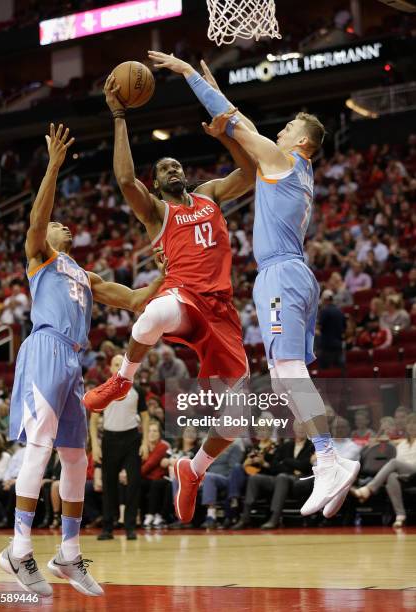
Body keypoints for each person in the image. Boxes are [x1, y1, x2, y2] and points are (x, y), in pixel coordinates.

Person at [147, 51, 359, 521]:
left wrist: (189, 76)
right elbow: (236, 130)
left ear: (302, 139)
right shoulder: (300, 173)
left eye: (286, 128)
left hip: (281, 274)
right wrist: (222, 113)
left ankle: (328, 457)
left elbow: (234, 120)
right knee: (287, 375)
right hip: (298, 274)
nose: (279, 131)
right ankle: (331, 459)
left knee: (287, 373)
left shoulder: (285, 158)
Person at [1, 123, 167, 598]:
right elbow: (37, 221)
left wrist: (164, 277)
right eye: (58, 223)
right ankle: (18, 550)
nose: (63, 224)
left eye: (62, 224)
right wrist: (53, 164)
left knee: (77, 459)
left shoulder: (84, 273)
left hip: (73, 359)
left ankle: (68, 556)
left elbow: (135, 300)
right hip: (44, 349)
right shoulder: (41, 257)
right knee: (39, 449)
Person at [83, 74, 257, 523]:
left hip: (223, 312)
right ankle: (123, 379)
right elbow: (124, 178)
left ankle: (193, 468)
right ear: (157, 184)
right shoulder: (158, 212)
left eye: (176, 165)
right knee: (154, 312)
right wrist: (119, 115)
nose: (173, 170)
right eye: (164, 169)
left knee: (239, 416)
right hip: (184, 298)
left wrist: (228, 134)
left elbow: (251, 172)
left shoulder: (210, 194)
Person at [89, 354, 149, 541]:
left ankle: (130, 526)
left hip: (131, 439)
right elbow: (93, 420)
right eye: (115, 364)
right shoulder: (103, 390)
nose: (118, 367)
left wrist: (145, 442)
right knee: (109, 484)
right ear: (110, 367)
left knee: (133, 483)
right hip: (109, 439)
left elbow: (145, 417)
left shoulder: (136, 390)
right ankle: (108, 527)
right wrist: (95, 446)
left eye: (121, 364)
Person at [352, 413, 416, 528]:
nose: (412, 426)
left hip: (414, 472)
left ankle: (368, 489)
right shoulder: (402, 445)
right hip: (403, 475)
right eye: (410, 423)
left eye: (415, 423)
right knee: (391, 476)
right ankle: (400, 516)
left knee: (393, 462)